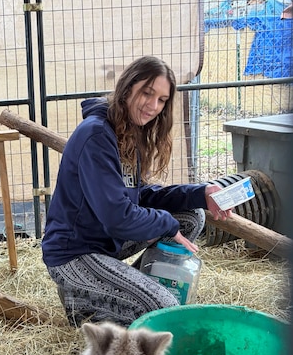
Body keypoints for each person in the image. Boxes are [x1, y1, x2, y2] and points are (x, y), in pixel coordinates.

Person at [42, 55, 231, 327]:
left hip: (106, 242)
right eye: (147, 93)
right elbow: (117, 216)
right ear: (128, 87)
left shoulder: (128, 131)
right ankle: (89, 303)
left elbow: (140, 195)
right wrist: (166, 223)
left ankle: (119, 292)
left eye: (162, 100)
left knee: (191, 216)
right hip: (74, 254)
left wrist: (200, 193)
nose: (153, 106)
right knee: (164, 309)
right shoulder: (97, 135)